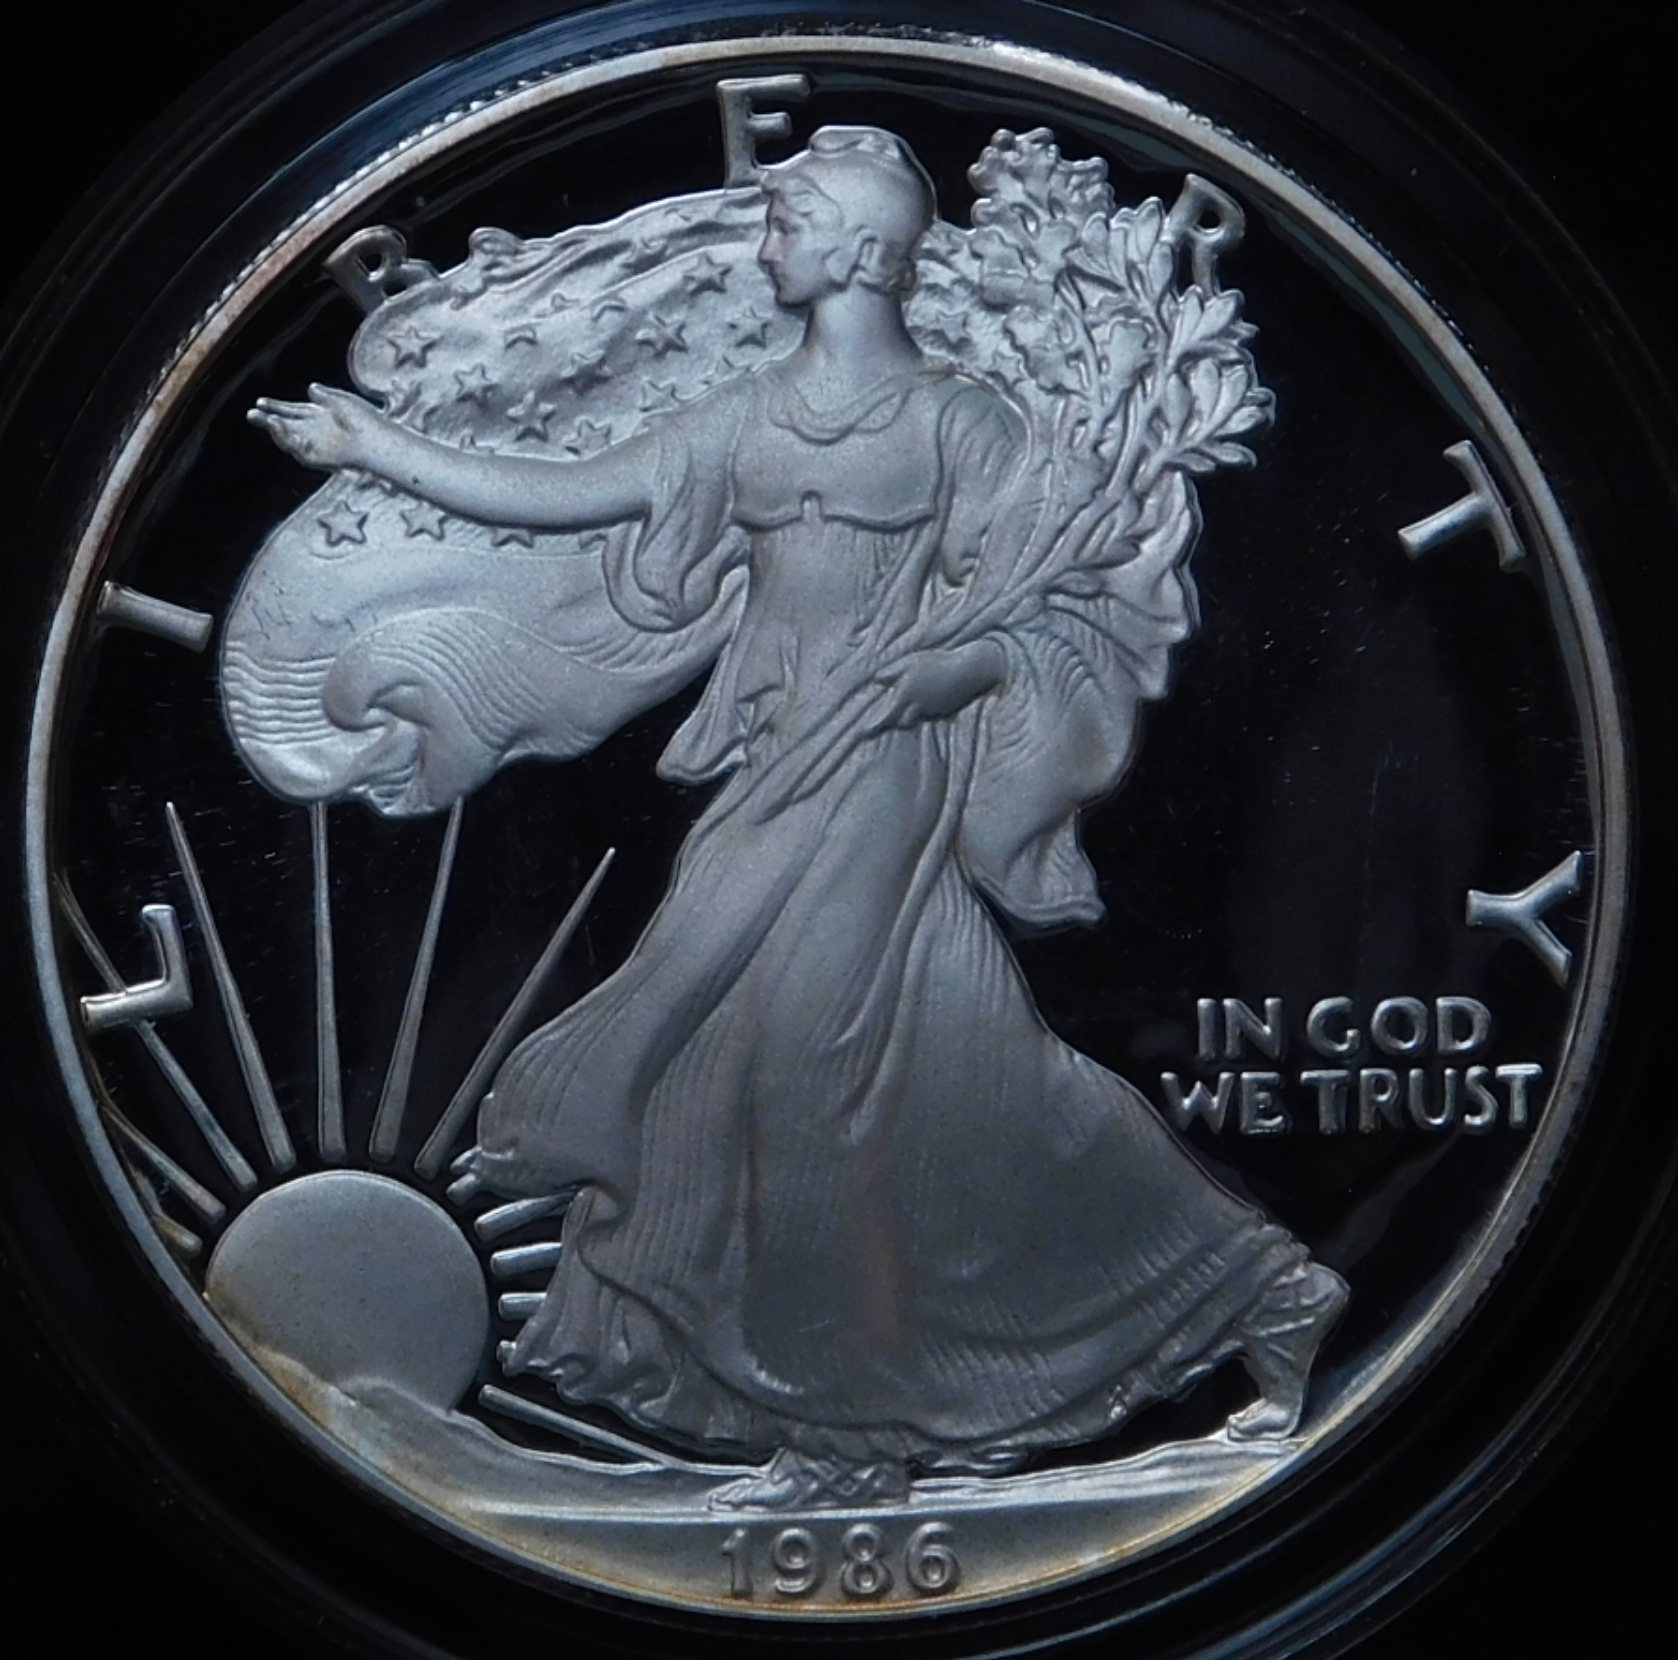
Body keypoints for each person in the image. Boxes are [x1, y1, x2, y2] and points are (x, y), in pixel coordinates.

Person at [250, 125, 1346, 1509]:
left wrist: (965, 663)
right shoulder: (749, 417)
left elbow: (1066, 598)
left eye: (787, 222)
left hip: (886, 767)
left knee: (802, 1075)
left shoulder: (958, 424)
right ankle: (1259, 1289)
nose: (763, 243)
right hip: (774, 769)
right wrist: (377, 447)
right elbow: (563, 497)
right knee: (939, 1070)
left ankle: (850, 1438)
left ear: (861, 253)